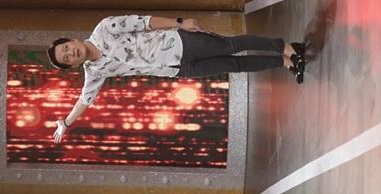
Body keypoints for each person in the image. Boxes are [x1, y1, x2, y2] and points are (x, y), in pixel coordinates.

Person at [47, 15, 307, 143]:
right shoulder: (94, 71)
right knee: (234, 65)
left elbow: (145, 22)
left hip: (180, 43)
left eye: (67, 48)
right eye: (67, 58)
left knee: (231, 46)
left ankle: (284, 47)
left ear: (72, 40)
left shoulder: (104, 29)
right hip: (176, 69)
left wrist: (179, 22)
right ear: (72, 65)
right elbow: (85, 99)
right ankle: (283, 61)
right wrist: (65, 123)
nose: (71, 53)